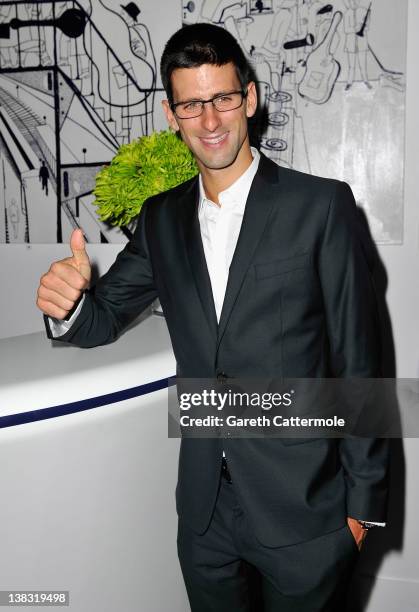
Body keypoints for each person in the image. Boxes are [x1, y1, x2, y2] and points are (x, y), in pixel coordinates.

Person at [36, 23, 389, 612]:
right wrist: (65, 303)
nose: (211, 120)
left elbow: (362, 361)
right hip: (204, 516)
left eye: (223, 98)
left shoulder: (321, 206)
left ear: (249, 98)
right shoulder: (160, 219)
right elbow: (100, 319)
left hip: (306, 513)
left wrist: (363, 512)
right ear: (172, 115)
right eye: (192, 104)